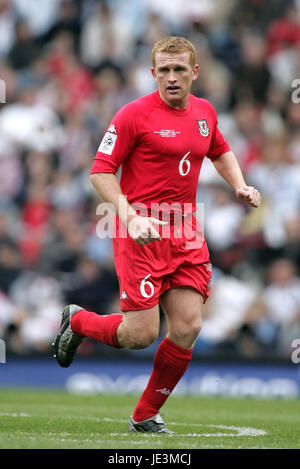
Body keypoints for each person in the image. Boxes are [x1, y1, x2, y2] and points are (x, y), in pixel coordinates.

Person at [53, 36, 261, 433]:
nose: (171, 78)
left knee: (188, 327)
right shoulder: (132, 115)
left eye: (179, 69)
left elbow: (219, 150)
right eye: (163, 70)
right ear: (152, 73)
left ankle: (145, 414)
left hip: (184, 231)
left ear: (194, 73)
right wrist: (130, 218)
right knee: (140, 335)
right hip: (139, 232)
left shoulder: (205, 112)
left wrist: (238, 184)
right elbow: (100, 172)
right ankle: (78, 322)